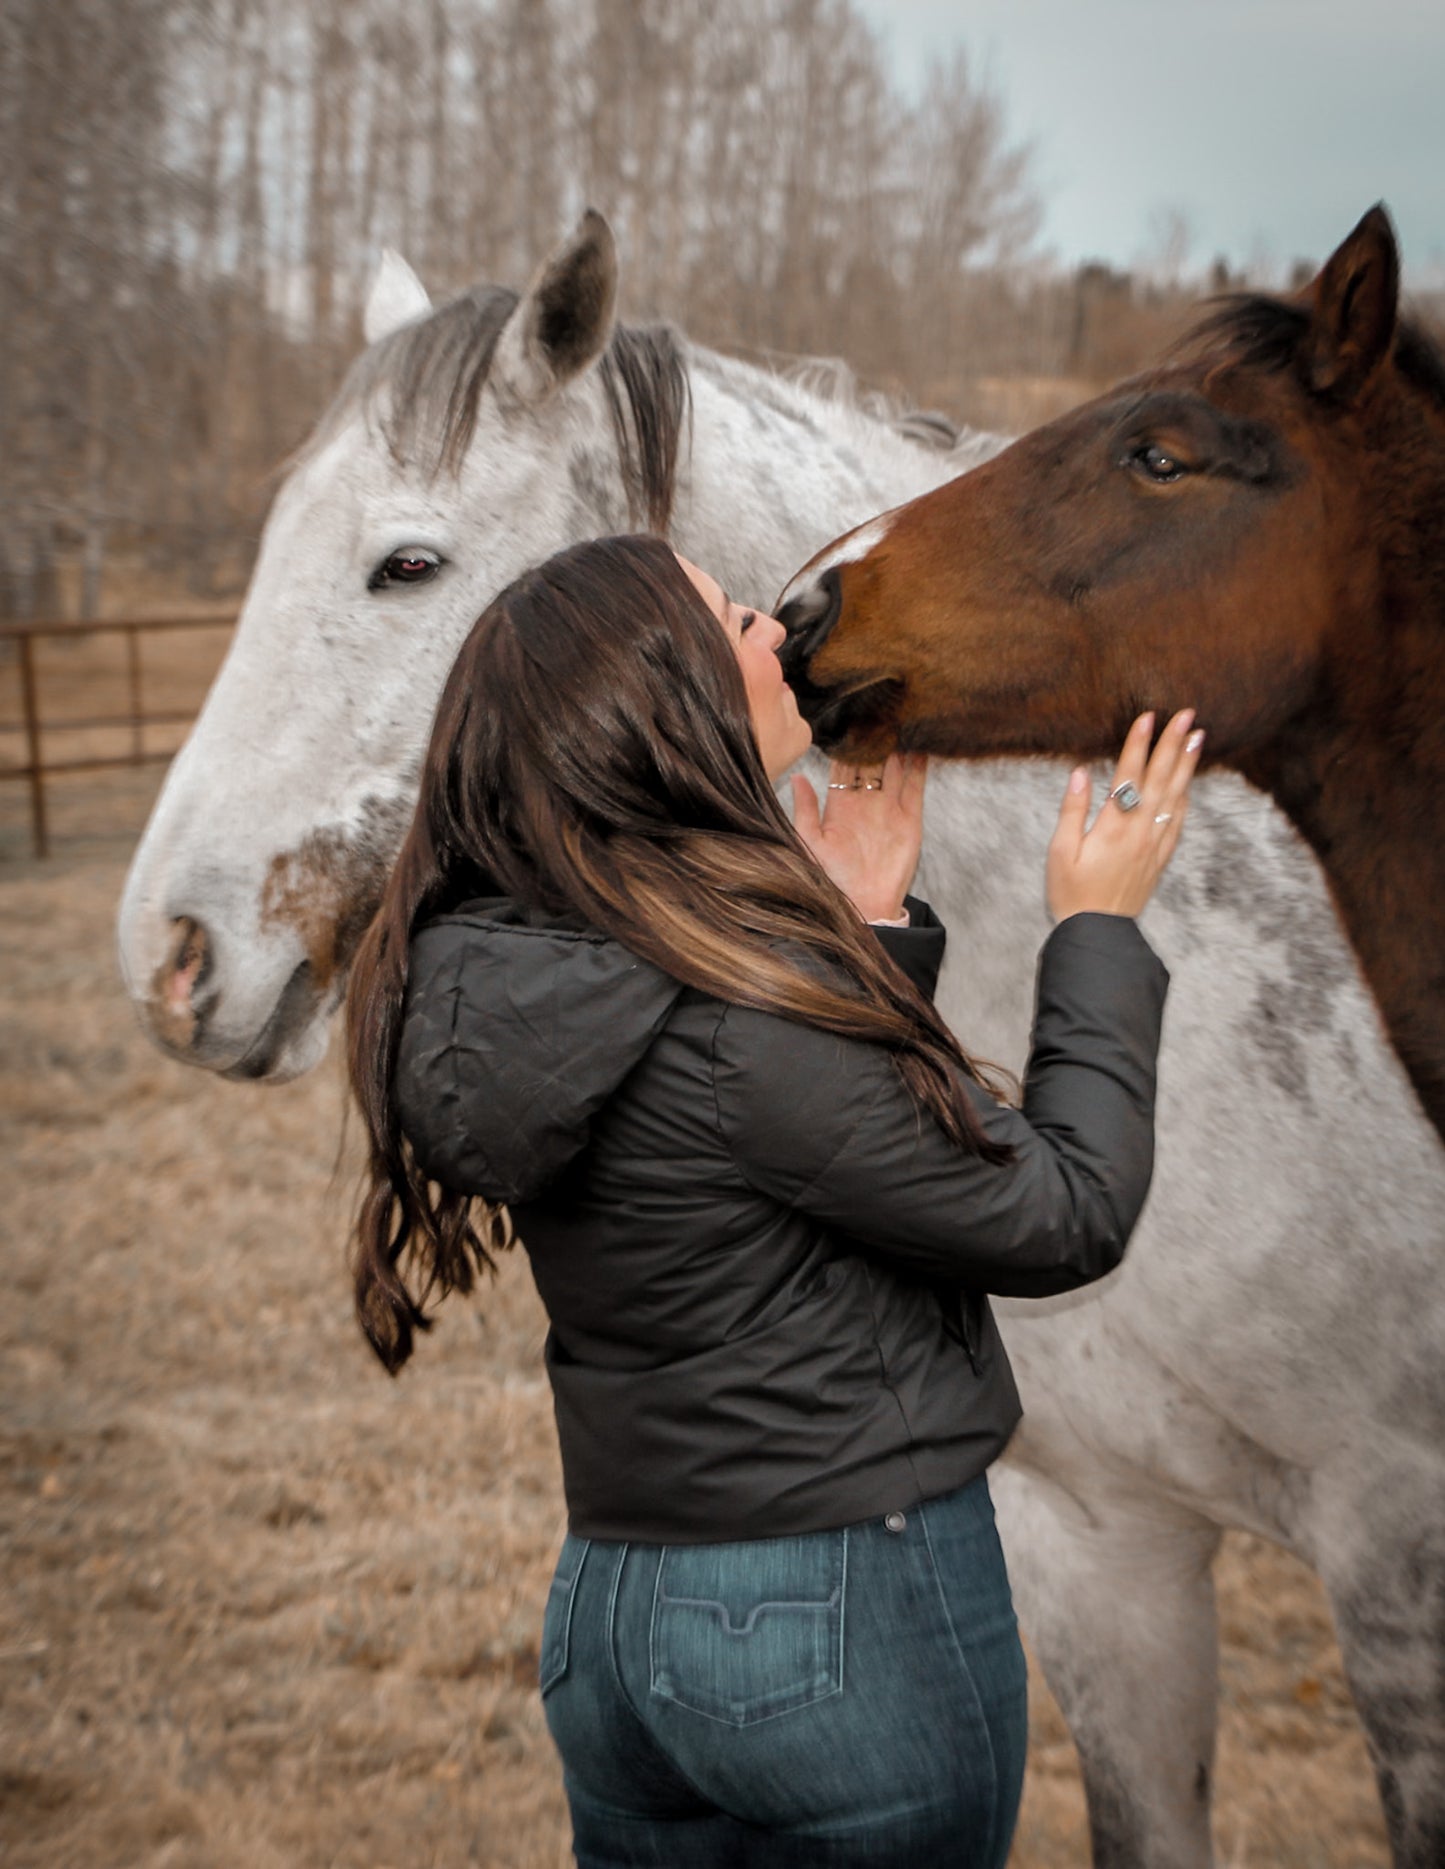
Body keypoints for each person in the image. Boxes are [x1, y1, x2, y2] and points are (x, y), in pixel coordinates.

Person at [345, 532, 1203, 1868]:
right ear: (664, 697)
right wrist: (1095, 925)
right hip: (832, 1614)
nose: (775, 630)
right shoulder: (737, 1013)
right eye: (738, 616)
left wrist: (856, 938)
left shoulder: (513, 969)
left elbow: (776, 1176)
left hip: (614, 1620)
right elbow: (1061, 1209)